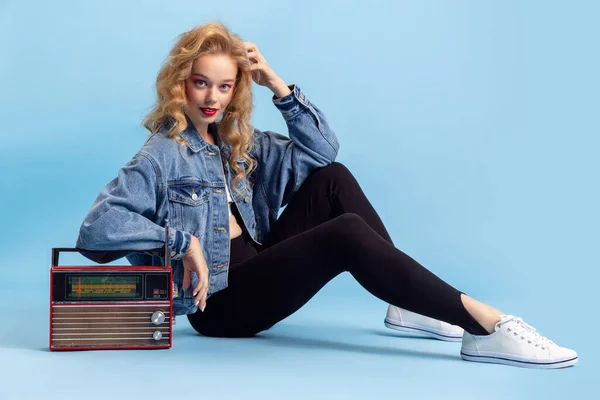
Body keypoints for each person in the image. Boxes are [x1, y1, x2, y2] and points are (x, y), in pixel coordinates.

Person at [76, 22, 577, 369]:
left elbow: (321, 150)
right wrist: (182, 241)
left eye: (225, 87)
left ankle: (407, 304)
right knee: (345, 235)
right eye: (201, 83)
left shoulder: (235, 143)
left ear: (235, 90)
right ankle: (487, 326)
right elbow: (95, 232)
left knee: (333, 177)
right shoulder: (161, 153)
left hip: (261, 267)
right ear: (180, 83)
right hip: (222, 306)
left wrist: (277, 85)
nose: (211, 98)